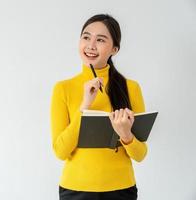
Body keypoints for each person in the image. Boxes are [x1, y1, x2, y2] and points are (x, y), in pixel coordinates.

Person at [50, 14, 147, 200]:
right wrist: (85, 105)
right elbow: (60, 151)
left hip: (121, 190)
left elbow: (140, 155)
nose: (91, 45)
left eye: (100, 40)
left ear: (114, 49)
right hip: (75, 190)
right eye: (86, 37)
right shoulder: (63, 89)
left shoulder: (131, 88)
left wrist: (126, 135)